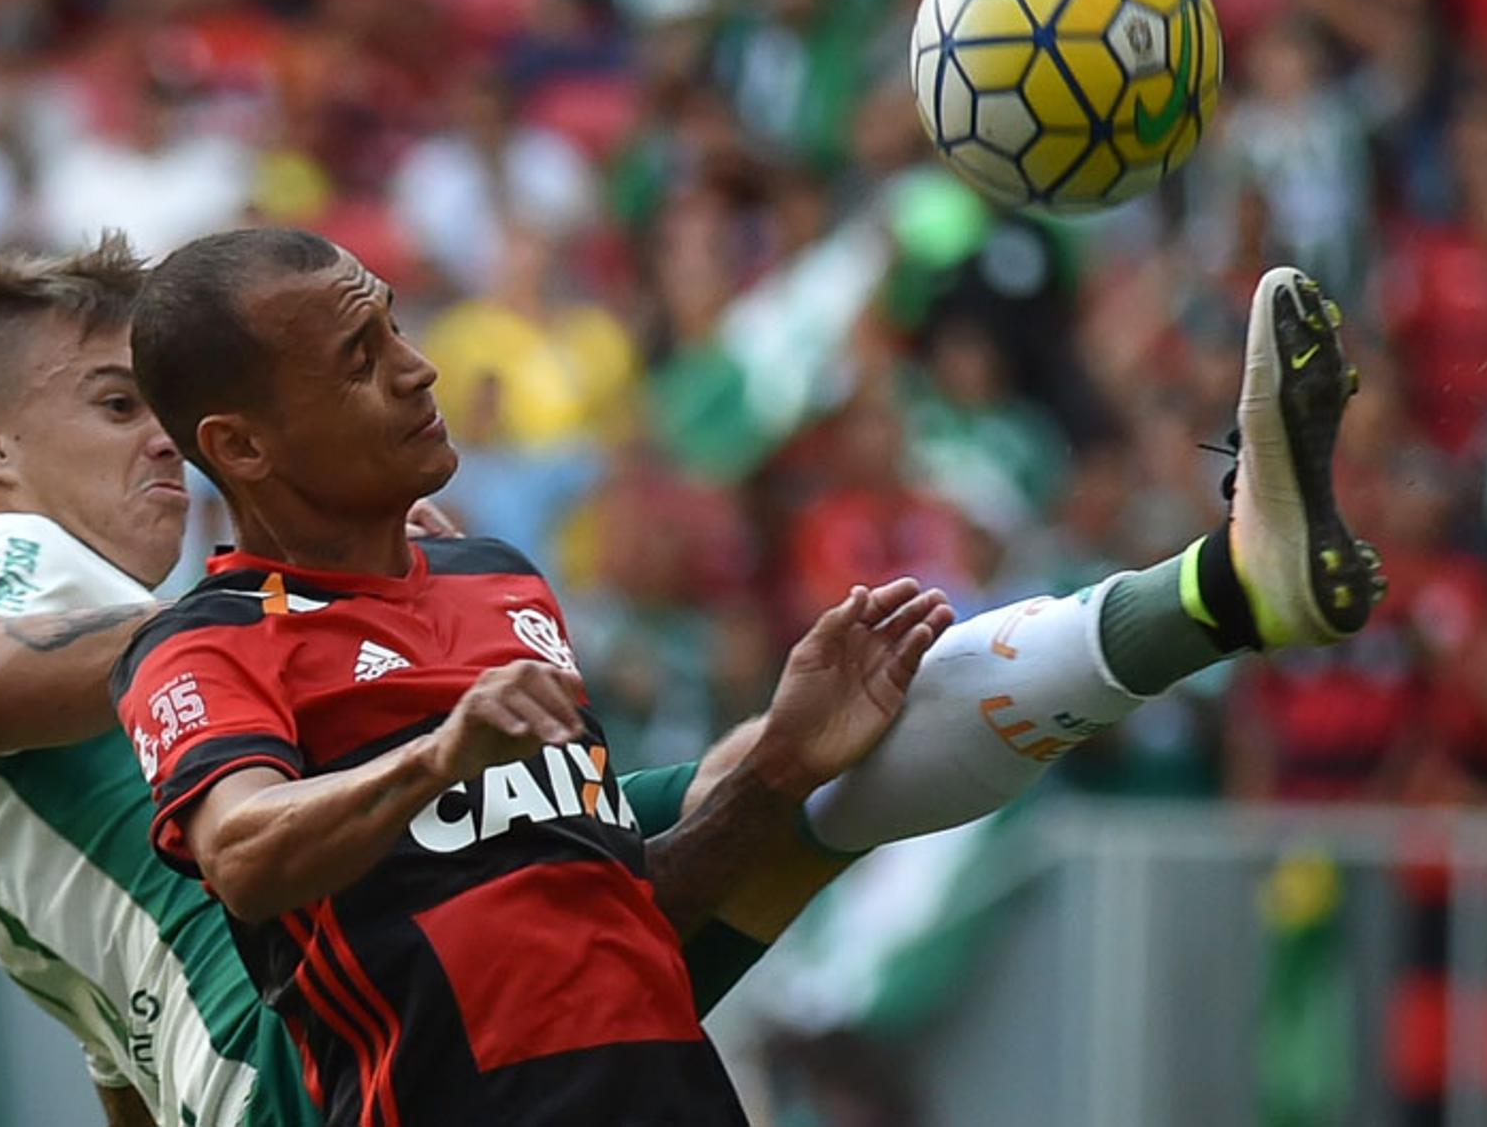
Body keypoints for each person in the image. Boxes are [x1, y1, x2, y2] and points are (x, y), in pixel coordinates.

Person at [116, 227, 1384, 1124]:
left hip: (674, 1094)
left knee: (849, 741)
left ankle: (1227, 586)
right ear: (242, 444)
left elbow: (619, 918)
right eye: (356, 353)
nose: (417, 363)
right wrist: (439, 756)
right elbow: (244, 849)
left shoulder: (498, 583)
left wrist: (777, 765)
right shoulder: (209, 643)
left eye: (393, 318)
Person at [0, 236, 948, 1127]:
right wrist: (313, 601)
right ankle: (1088, 644)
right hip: (304, 1052)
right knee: (736, 793)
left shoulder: (45, 821)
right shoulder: (3, 560)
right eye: (118, 404)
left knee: (736, 785)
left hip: (272, 1063)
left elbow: (122, 1055)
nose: (162, 439)